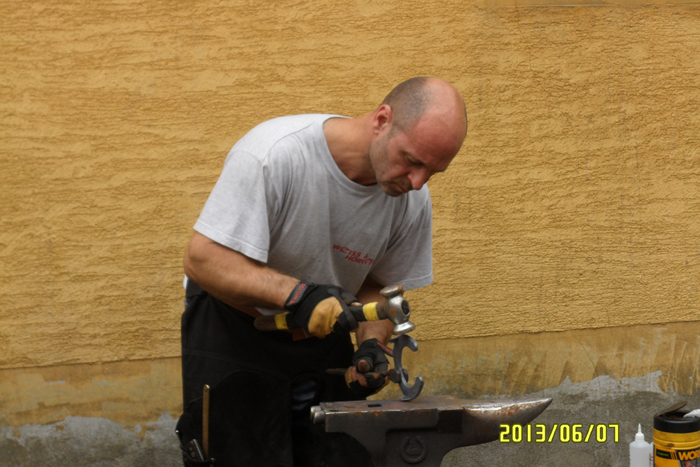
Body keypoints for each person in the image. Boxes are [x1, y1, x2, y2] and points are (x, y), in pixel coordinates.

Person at [176, 77, 468, 467]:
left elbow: (378, 286)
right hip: (233, 333)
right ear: (382, 120)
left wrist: (372, 344)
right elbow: (202, 259)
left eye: (433, 171)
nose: (417, 182)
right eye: (412, 160)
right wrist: (298, 295)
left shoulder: (411, 199)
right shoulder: (275, 154)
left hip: (323, 335)